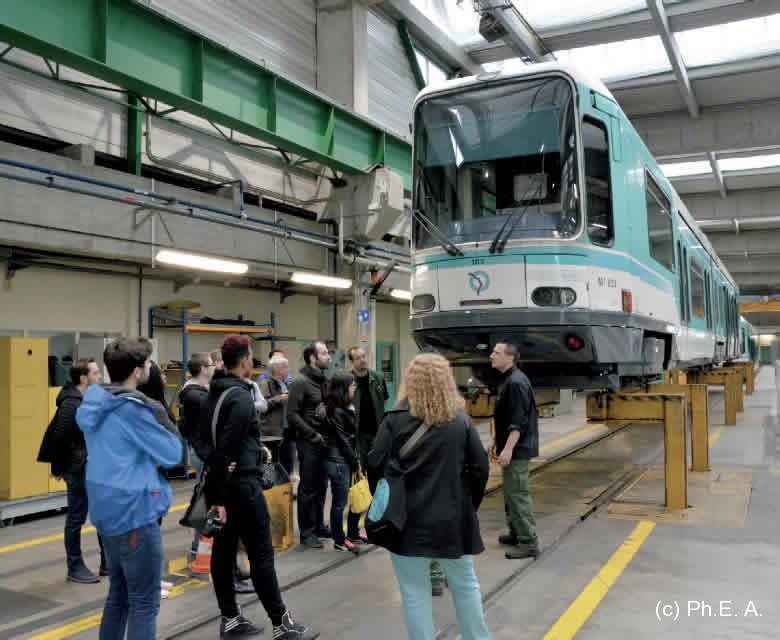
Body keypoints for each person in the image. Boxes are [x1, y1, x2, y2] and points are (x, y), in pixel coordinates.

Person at [201, 334, 318, 639]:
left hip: (225, 485)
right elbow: (225, 447)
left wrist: (250, 453)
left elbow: (206, 441)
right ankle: (282, 624)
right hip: (241, 489)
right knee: (261, 555)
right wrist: (221, 495)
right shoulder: (240, 397)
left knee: (223, 553)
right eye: (251, 355)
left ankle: (230, 619)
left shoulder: (213, 392)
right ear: (243, 361)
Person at [367, 354, 490, 640]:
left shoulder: (394, 420)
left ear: (411, 382)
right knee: (465, 585)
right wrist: (467, 505)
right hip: (451, 521)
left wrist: (389, 495)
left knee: (414, 593)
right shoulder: (460, 422)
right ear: (446, 383)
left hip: (405, 522)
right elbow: (480, 469)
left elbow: (374, 462)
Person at [76, 337, 183, 639]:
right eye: (148, 363)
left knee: (119, 596)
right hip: (135, 511)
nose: (151, 367)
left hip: (106, 510)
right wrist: (158, 406)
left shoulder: (94, 403)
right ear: (137, 371)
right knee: (144, 603)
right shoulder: (134, 410)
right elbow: (173, 454)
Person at [42, 358, 107, 583]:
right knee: (76, 517)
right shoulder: (72, 403)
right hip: (77, 467)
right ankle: (75, 566)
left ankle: (107, 562)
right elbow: (58, 435)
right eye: (96, 373)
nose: (99, 376)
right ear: (83, 378)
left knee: (100, 513)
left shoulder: (84, 399)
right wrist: (58, 467)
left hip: (87, 465)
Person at [489, 341, 540, 560]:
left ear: (509, 358)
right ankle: (516, 532)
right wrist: (495, 441)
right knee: (510, 492)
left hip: (517, 449)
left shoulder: (516, 383)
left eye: (496, 352)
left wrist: (508, 449)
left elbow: (518, 422)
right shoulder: (508, 380)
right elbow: (505, 418)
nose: (491, 355)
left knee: (518, 493)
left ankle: (529, 542)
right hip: (509, 445)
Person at [288, 341, 331, 549]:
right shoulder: (300, 382)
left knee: (322, 485)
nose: (328, 356)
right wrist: (311, 434)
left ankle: (318, 525)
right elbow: (292, 414)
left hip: (324, 442)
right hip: (309, 442)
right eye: (323, 353)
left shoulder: (323, 381)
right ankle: (307, 532)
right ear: (312, 358)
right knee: (308, 488)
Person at [346, 346, 387, 544]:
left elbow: (384, 401)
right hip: (357, 438)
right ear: (351, 362)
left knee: (378, 481)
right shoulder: (347, 382)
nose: (363, 360)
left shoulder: (377, 379)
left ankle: (375, 524)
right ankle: (353, 529)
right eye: (358, 358)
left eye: (364, 356)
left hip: (377, 436)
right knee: (358, 484)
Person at [178, 352, 215, 557]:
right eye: (211, 365)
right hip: (203, 454)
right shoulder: (195, 395)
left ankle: (202, 545)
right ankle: (199, 546)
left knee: (208, 499)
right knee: (206, 501)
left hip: (203, 452)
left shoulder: (199, 392)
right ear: (202, 369)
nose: (214, 368)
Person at [320, 371, 360, 554]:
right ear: (344, 388)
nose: (355, 388)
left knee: (342, 501)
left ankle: (348, 535)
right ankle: (339, 540)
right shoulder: (336, 410)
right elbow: (343, 439)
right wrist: (354, 461)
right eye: (352, 385)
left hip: (341, 459)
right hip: (338, 461)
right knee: (339, 503)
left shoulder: (342, 407)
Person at [259, 355, 294, 476]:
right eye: (286, 367)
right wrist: (280, 398)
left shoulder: (287, 383)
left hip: (287, 429)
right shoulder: (265, 383)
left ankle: (286, 488)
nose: (288, 369)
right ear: (278, 369)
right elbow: (263, 406)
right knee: (274, 463)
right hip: (273, 433)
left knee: (288, 461)